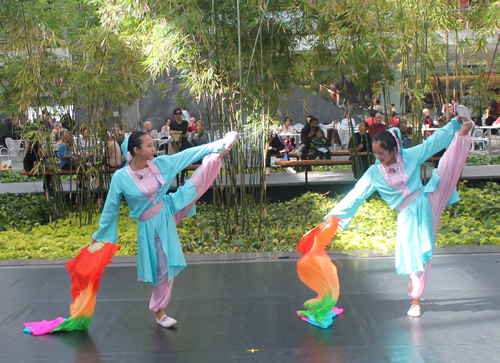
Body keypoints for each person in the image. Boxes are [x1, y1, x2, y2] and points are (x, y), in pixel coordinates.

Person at [323, 105, 473, 318]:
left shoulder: (409, 156)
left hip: (427, 200)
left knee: (447, 169)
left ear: (393, 150)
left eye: (381, 153)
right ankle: (415, 300)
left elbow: (434, 143)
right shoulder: (374, 173)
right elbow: (356, 195)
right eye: (375, 153)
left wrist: (454, 124)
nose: (378, 157)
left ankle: (464, 128)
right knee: (417, 256)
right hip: (408, 216)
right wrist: (334, 218)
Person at [91, 130, 239, 328]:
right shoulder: (120, 177)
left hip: (169, 207)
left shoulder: (159, 164)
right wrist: (100, 236)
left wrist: (218, 144)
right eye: (149, 146)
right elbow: (110, 208)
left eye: (153, 145)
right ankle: (160, 313)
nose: (154, 149)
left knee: (195, 182)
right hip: (150, 225)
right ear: (136, 150)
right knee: (162, 268)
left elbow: (188, 155)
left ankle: (219, 153)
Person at [171, 108, 193, 185]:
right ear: (174, 114)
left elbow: (184, 131)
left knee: (183, 159)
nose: (178, 115)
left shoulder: (185, 122)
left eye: (180, 113)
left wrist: (176, 132)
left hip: (183, 143)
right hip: (176, 143)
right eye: (177, 113)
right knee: (176, 159)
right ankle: (174, 177)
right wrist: (181, 133)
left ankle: (182, 177)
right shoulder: (172, 123)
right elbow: (171, 132)